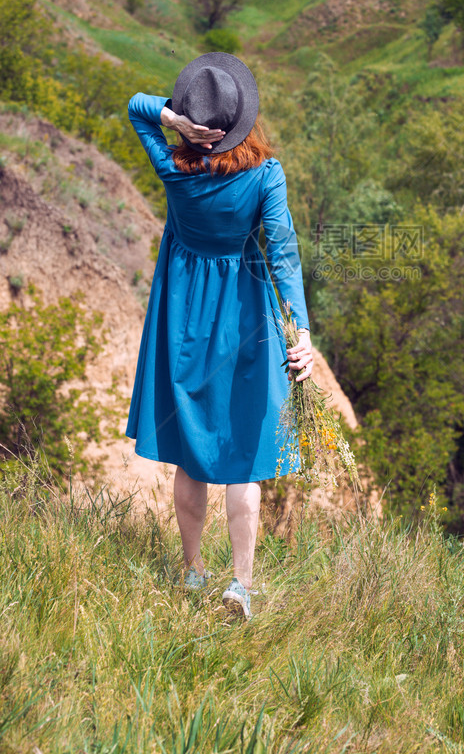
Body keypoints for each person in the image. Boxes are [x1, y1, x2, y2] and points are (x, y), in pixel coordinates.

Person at [125, 52, 313, 620]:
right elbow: (282, 253)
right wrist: (299, 328)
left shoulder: (172, 168)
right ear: (241, 120)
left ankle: (191, 573)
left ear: (192, 118)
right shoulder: (264, 175)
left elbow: (136, 110)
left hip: (184, 314)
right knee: (241, 455)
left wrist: (173, 123)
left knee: (191, 452)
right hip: (246, 315)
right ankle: (242, 586)